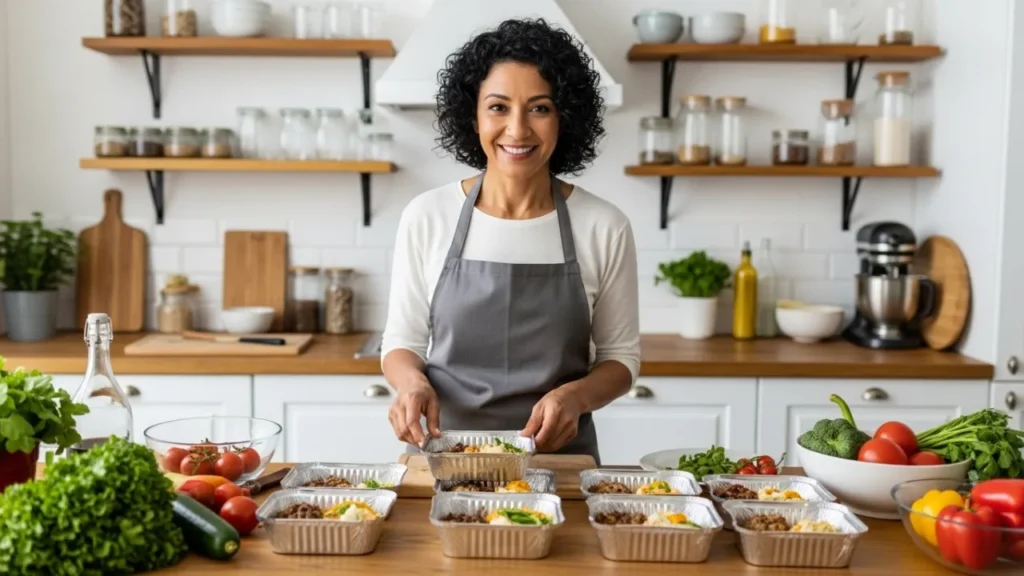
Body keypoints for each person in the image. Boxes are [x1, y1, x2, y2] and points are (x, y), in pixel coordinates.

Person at [380, 18, 640, 464]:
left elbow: (621, 360)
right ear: (473, 116)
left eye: (539, 108)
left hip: (558, 463)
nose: (518, 130)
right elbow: (401, 342)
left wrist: (576, 398)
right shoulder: (427, 216)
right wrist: (412, 383)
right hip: (444, 458)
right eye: (498, 107)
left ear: (565, 117)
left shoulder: (604, 225)